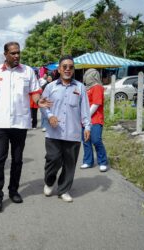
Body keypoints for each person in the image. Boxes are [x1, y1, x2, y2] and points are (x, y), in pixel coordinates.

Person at [0, 42, 51, 212]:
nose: (17, 56)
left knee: (17, 160)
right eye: (13, 53)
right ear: (5, 54)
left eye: (18, 53)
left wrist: (38, 101)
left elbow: (34, 93)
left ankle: (13, 191)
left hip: (20, 123)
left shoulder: (27, 72)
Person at [41, 55, 91, 203]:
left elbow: (85, 110)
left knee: (70, 164)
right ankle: (49, 181)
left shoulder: (80, 87)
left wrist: (87, 126)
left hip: (73, 133)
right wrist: (49, 116)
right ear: (59, 69)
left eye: (71, 67)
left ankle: (63, 190)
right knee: (53, 159)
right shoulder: (50, 87)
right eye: (65, 67)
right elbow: (43, 106)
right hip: (53, 132)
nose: (68, 69)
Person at [81, 68, 108, 172]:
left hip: (95, 118)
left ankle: (103, 161)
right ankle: (88, 161)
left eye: (87, 75)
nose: (85, 77)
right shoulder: (87, 88)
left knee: (96, 140)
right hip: (84, 119)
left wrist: (86, 116)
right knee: (86, 141)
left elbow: (96, 104)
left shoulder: (97, 87)